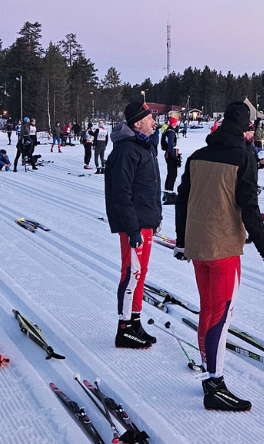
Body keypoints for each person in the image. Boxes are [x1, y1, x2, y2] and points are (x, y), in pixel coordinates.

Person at [174, 101, 264, 411]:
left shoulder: (197, 155)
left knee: (208, 309)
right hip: (224, 249)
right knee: (221, 314)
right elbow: (249, 206)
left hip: (198, 247)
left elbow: (182, 200)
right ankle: (215, 384)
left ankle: (209, 369)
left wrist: (182, 241)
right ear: (245, 129)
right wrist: (263, 248)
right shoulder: (244, 158)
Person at [104, 102, 162, 349]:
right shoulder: (126, 150)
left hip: (145, 221)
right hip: (133, 225)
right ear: (137, 123)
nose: (153, 122)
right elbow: (121, 193)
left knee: (141, 274)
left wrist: (156, 218)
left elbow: (150, 187)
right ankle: (124, 328)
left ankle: (135, 320)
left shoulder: (144, 147)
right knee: (131, 274)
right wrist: (132, 228)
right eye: (149, 118)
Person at [162, 117, 182, 195]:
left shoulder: (168, 131)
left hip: (170, 154)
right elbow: (170, 146)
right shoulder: (171, 132)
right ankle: (169, 192)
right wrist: (175, 157)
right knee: (172, 174)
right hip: (171, 155)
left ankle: (168, 191)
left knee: (170, 174)